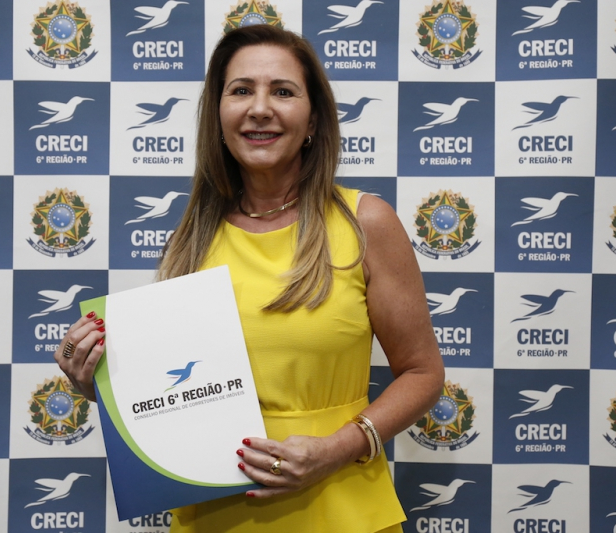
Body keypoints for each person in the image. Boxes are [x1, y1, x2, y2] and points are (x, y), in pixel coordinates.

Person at [55, 25, 443, 533]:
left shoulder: (365, 222)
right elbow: (178, 389)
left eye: (282, 91)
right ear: (219, 116)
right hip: (212, 514)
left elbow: (422, 373)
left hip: (340, 508)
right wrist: (98, 384)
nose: (260, 108)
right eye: (241, 90)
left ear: (313, 119)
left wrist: (336, 448)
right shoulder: (192, 236)